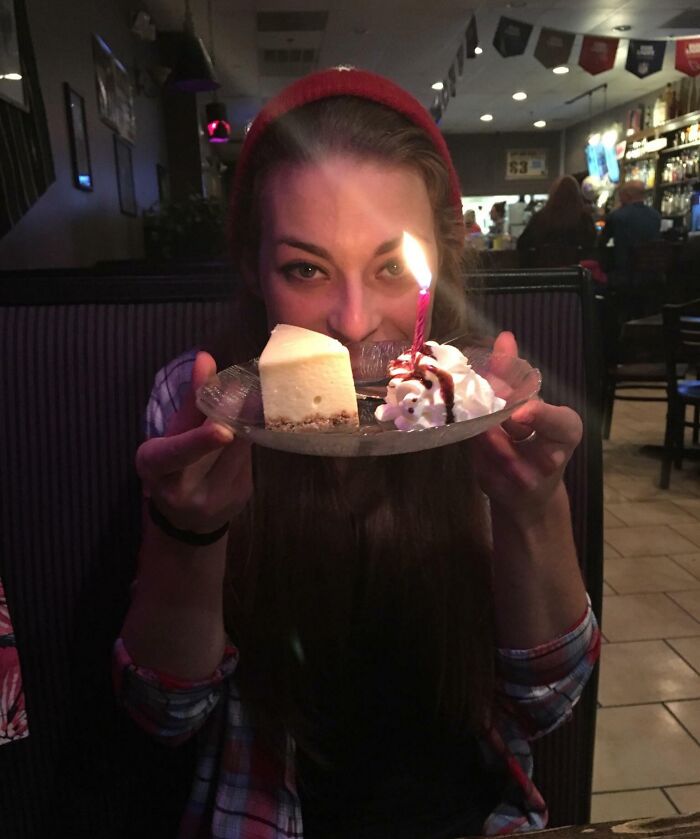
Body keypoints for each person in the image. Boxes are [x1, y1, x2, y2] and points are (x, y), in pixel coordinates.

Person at [114, 67, 599, 839]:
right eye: (305, 268)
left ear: (440, 257)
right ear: (254, 268)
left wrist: (532, 510)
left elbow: (550, 701)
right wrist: (189, 533)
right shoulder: (202, 401)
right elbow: (164, 712)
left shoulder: (477, 398)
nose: (352, 320)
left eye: (391, 266)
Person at [516, 176, 597, 259]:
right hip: (576, 265)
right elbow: (592, 246)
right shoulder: (584, 219)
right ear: (577, 195)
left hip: (546, 265)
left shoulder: (540, 218)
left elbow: (522, 244)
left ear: (553, 194)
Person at [599, 179, 661, 275]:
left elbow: (601, 242)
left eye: (620, 195)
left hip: (624, 272)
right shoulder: (656, 216)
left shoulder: (617, 216)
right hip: (652, 272)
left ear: (627, 195)